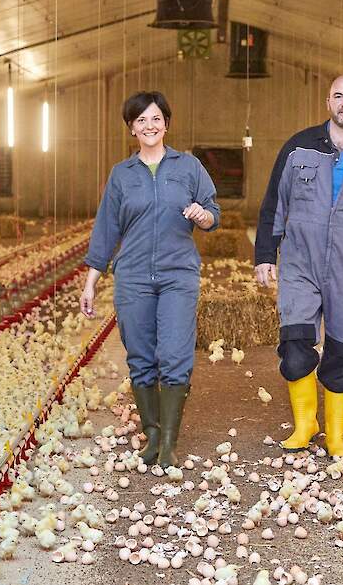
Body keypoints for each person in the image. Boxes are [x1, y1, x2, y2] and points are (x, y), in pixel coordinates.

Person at [254, 74, 343, 458]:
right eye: (339, 96)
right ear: (328, 102)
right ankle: (306, 424)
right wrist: (265, 255)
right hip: (300, 261)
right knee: (295, 344)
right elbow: (275, 204)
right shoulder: (298, 147)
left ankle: (335, 435)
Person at [80, 91, 220, 468]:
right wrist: (91, 281)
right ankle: (153, 435)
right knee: (141, 357)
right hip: (134, 276)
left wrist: (203, 217)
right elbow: (106, 229)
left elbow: (213, 210)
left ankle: (170, 442)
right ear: (132, 128)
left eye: (156, 118)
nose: (149, 126)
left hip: (178, 274)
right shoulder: (122, 175)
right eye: (141, 120)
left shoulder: (188, 167)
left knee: (174, 356)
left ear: (166, 124)